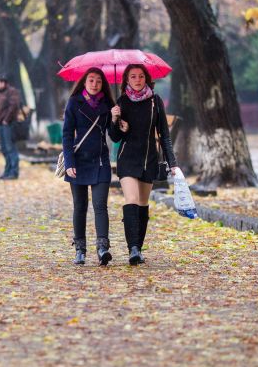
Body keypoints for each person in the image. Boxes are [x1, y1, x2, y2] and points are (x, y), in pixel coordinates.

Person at [109, 64, 178, 265]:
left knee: (142, 204)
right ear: (127, 80)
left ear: (146, 78)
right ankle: (133, 249)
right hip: (127, 158)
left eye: (141, 76)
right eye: (133, 76)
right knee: (131, 199)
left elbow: (164, 135)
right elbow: (114, 137)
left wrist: (172, 162)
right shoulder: (121, 102)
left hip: (149, 159)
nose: (137, 80)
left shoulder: (155, 101)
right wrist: (115, 120)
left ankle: (138, 247)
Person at [63, 68, 118, 265]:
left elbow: (114, 135)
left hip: (101, 161)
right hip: (78, 161)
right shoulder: (74, 102)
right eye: (91, 80)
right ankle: (80, 249)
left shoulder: (108, 105)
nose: (95, 84)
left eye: (98, 81)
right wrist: (69, 162)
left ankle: (103, 248)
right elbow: (67, 134)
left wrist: (114, 118)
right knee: (80, 206)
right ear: (84, 82)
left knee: (100, 205)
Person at [0, 74, 21, 180]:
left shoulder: (11, 92)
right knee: (5, 149)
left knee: (10, 148)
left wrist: (6, 120)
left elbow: (14, 106)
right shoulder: (1, 93)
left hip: (8, 124)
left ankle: (14, 172)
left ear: (3, 83)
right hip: (1, 124)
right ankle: (7, 171)